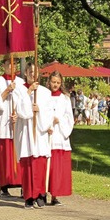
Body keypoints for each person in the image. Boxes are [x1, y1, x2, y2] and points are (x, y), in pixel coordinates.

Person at [15, 63, 53, 209]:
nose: (32, 74)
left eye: (34, 72)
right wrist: (29, 92)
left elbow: (49, 112)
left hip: (39, 132)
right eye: (29, 71)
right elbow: (21, 111)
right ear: (25, 72)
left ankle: (39, 193)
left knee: (39, 164)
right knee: (27, 164)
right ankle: (28, 196)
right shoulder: (20, 90)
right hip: (25, 132)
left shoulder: (45, 92)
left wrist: (39, 110)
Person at [0, 59, 23, 196]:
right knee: (3, 155)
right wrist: (6, 91)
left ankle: (22, 184)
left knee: (19, 154)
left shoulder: (21, 82)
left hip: (17, 123)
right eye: (9, 64)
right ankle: (4, 185)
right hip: (2, 122)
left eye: (14, 64)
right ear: (3, 65)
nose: (12, 66)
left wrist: (19, 114)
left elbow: (23, 101)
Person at [47, 71, 73, 206]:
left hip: (60, 136)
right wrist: (48, 123)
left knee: (57, 169)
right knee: (47, 167)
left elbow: (69, 118)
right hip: (47, 135)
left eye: (58, 82)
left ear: (61, 83)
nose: (55, 85)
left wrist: (60, 121)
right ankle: (42, 193)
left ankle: (55, 195)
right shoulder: (44, 96)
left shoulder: (65, 99)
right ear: (49, 82)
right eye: (53, 82)